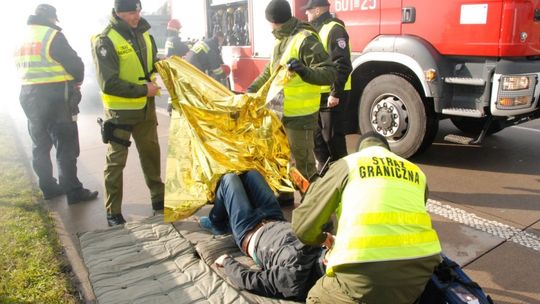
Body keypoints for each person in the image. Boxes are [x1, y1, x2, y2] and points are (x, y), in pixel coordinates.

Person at [292, 132, 442, 304]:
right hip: (418, 276)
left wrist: (324, 238)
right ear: (387, 150)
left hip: (364, 277)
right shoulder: (417, 173)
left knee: (317, 296)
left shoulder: (350, 164)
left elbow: (303, 227)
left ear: (360, 149)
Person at [14, 4, 98, 204]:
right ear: (52, 18)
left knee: (40, 145)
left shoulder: (21, 37)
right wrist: (76, 83)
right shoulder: (52, 35)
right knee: (65, 145)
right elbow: (76, 64)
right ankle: (74, 191)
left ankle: (49, 187)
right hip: (55, 97)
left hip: (28, 95)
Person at [199, 170, 326, 301]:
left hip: (249, 229)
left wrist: (227, 261)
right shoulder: (326, 247)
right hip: (275, 217)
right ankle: (224, 220)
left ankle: (216, 222)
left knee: (229, 180)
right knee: (252, 174)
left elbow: (250, 280)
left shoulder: (294, 278)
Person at [246, 0, 337, 182]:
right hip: (280, 113)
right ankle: (285, 196)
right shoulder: (281, 38)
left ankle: (311, 205)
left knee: (303, 165)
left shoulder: (305, 38)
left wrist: (303, 70)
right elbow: (270, 71)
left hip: (300, 116)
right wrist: (252, 89)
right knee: (282, 158)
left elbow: (329, 73)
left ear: (272, 21)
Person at [92, 0, 164, 226]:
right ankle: (113, 211)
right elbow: (109, 83)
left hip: (145, 110)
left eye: (138, 10)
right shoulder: (105, 40)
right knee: (116, 163)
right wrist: (144, 90)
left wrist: (165, 66)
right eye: (132, 11)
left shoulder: (144, 33)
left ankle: (159, 201)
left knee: (151, 156)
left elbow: (149, 65)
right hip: (120, 114)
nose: (136, 15)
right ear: (118, 12)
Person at [304, 0, 353, 170]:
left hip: (331, 95)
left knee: (333, 138)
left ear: (317, 10)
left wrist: (335, 92)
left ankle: (342, 176)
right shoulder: (315, 30)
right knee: (318, 138)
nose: (306, 14)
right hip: (317, 94)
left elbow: (343, 64)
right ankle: (324, 174)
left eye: (308, 11)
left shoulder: (334, 29)